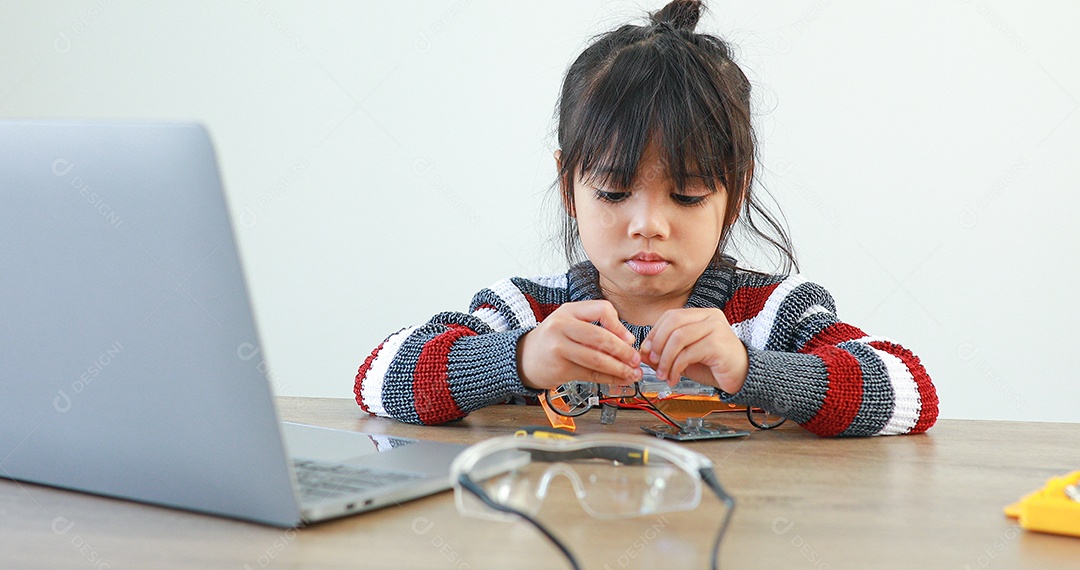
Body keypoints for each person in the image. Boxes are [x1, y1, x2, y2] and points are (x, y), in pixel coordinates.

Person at [353, 0, 937, 437]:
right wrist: (523, 359)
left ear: (734, 192)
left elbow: (910, 391)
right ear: (568, 186)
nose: (648, 224)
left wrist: (749, 369)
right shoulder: (527, 313)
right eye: (612, 191)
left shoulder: (773, 315)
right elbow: (378, 377)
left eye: (686, 196)